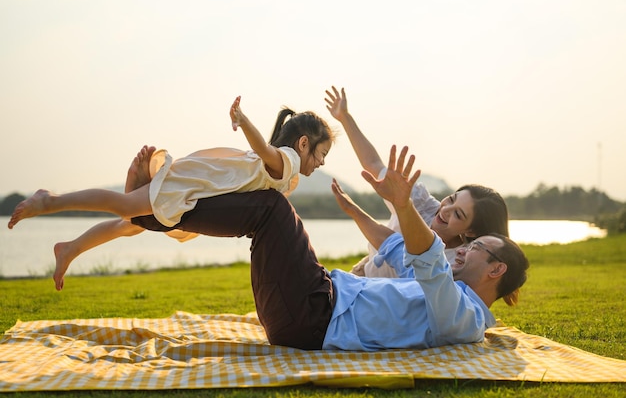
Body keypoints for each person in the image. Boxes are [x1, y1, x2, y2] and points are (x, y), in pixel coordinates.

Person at [130, 145, 530, 351]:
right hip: (314, 301)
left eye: (476, 248)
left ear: (495, 270)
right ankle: (152, 208)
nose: (463, 251)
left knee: (272, 208)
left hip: (312, 316)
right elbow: (397, 250)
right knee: (269, 206)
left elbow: (431, 268)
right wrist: (354, 209)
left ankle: (150, 210)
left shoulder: (463, 317)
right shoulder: (448, 296)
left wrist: (405, 206)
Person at [8, 96, 335, 290]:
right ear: (302, 143)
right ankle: (49, 200)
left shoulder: (289, 174)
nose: (321, 162)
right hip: (191, 185)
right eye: (320, 154)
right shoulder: (290, 160)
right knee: (125, 208)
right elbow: (263, 148)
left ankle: (70, 248)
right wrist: (243, 120)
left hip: (197, 185)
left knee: (129, 223)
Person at [324, 86, 509, 278]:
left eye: (458, 214)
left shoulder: (460, 260)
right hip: (362, 276)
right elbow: (372, 163)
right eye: (452, 199)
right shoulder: (421, 204)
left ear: (471, 230)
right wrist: (345, 117)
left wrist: (353, 210)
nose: (446, 210)